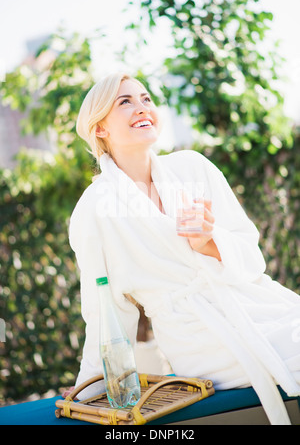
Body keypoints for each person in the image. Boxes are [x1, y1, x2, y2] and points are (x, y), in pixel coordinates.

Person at [67, 72, 300, 425]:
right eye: (125, 102)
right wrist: (89, 383)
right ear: (100, 128)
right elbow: (105, 311)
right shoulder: (93, 208)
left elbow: (253, 261)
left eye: (145, 99)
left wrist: (209, 241)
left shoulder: (193, 167)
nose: (142, 107)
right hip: (197, 337)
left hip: (258, 304)